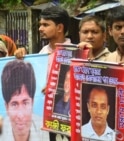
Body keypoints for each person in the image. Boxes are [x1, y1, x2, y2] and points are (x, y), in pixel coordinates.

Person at [14, 6, 71, 141]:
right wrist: (20, 59)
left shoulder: (75, 55)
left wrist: (59, 89)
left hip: (67, 120)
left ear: (59, 28)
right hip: (42, 120)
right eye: (40, 25)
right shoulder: (40, 55)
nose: (40, 29)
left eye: (45, 25)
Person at [0, 59, 49, 141]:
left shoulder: (44, 129)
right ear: (6, 107)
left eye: (25, 103)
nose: (20, 115)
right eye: (14, 104)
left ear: (32, 102)